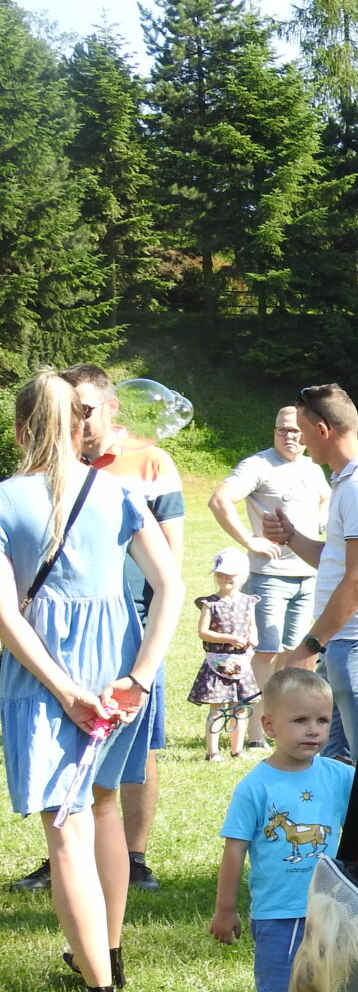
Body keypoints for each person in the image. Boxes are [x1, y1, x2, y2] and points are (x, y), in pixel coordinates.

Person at [0, 372, 181, 992]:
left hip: (44, 676)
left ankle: (98, 989)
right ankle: (109, 952)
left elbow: (5, 616)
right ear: (80, 424)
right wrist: (138, 676)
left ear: (22, 429)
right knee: (102, 805)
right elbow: (170, 587)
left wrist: (67, 691)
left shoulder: (5, 499)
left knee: (65, 828)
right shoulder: (119, 492)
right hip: (118, 672)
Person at [57, 363, 186, 896]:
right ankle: (65, 852)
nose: (78, 421)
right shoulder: (62, 464)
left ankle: (134, 856)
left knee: (137, 749)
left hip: (133, 625)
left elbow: (172, 560)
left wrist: (151, 648)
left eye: (86, 409)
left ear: (112, 406)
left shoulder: (152, 462)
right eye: (70, 411)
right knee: (72, 743)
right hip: (72, 628)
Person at [208, 669, 358, 992]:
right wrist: (225, 910)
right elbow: (234, 850)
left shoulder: (339, 775)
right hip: (278, 910)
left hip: (331, 904)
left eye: (322, 721)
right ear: (269, 725)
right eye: (300, 721)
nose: (314, 731)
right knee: (278, 990)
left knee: (331, 982)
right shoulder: (255, 787)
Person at [263, 384, 358, 769]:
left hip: (356, 642)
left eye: (303, 433)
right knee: (338, 765)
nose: (300, 443)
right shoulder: (348, 480)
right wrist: (291, 537)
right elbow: (336, 560)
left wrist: (307, 647)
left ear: (323, 430)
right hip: (343, 643)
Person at [207, 406, 330, 743]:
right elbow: (219, 500)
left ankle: (287, 724)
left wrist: (319, 523)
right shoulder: (258, 465)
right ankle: (257, 732)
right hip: (270, 576)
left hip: (308, 576)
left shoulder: (312, 466)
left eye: (295, 430)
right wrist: (250, 540)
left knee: (296, 653)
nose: (289, 436)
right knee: (266, 652)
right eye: (282, 430)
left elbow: (324, 497)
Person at [188, 548, 261, 762]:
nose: (225, 578)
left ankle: (237, 749)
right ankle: (213, 751)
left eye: (231, 574)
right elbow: (203, 632)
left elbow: (252, 626)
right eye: (220, 573)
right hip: (217, 663)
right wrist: (229, 639)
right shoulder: (209, 603)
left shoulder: (249, 602)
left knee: (241, 708)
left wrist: (253, 638)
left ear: (243, 576)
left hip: (241, 663)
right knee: (217, 708)